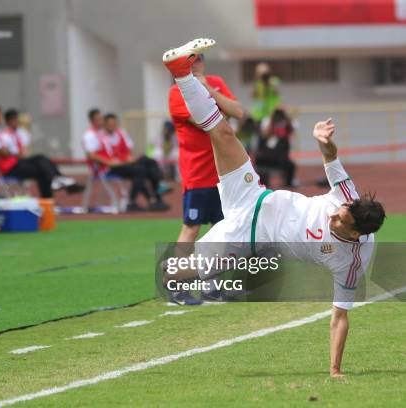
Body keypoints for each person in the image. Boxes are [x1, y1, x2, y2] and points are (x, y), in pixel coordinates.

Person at [162, 37, 386, 378]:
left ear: (355, 232)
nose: (334, 212)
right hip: (256, 197)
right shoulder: (347, 197)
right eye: (340, 208)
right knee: (222, 133)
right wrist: (324, 141)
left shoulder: (352, 263)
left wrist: (335, 369)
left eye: (341, 218)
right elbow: (331, 159)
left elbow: (340, 316)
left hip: (248, 236)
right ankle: (181, 73)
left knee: (176, 274)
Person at [168, 52, 243, 242]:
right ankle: (175, 271)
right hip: (198, 174)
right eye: (189, 61)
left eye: (198, 59)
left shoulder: (215, 81)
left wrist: (209, 88)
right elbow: (209, 123)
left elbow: (238, 111)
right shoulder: (177, 92)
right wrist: (224, 110)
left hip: (223, 173)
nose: (194, 64)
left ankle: (219, 271)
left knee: (225, 227)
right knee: (191, 227)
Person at [0, 108, 77, 198]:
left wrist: (10, 151)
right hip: (8, 167)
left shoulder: (2, 132)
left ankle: (57, 182)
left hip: (14, 162)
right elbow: (4, 152)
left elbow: (13, 150)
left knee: (41, 161)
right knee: (41, 165)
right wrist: (10, 152)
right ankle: (52, 190)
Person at [255, 108, 297, 187]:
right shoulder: (266, 133)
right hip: (265, 160)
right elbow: (264, 133)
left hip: (279, 160)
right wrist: (272, 118)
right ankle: (263, 185)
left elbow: (291, 128)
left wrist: (284, 116)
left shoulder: (283, 134)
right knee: (261, 169)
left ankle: (289, 183)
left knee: (291, 165)